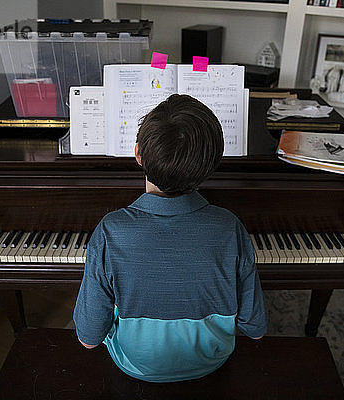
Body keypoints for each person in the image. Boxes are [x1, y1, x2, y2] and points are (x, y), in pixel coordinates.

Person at [73, 94, 268, 383]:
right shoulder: (230, 226)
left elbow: (88, 339)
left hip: (135, 367)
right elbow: (256, 327)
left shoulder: (110, 231)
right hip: (211, 361)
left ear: (138, 154)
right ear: (212, 164)